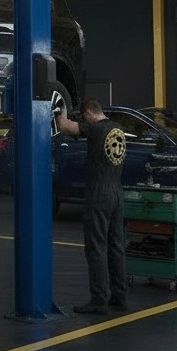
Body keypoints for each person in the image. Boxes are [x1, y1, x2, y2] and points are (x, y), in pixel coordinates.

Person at [55, 98, 128, 314]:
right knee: (116, 246)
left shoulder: (95, 130)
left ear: (88, 114)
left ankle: (99, 300)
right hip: (117, 192)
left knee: (95, 246)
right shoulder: (118, 129)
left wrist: (60, 108)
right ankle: (120, 297)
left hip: (99, 193)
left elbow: (64, 126)